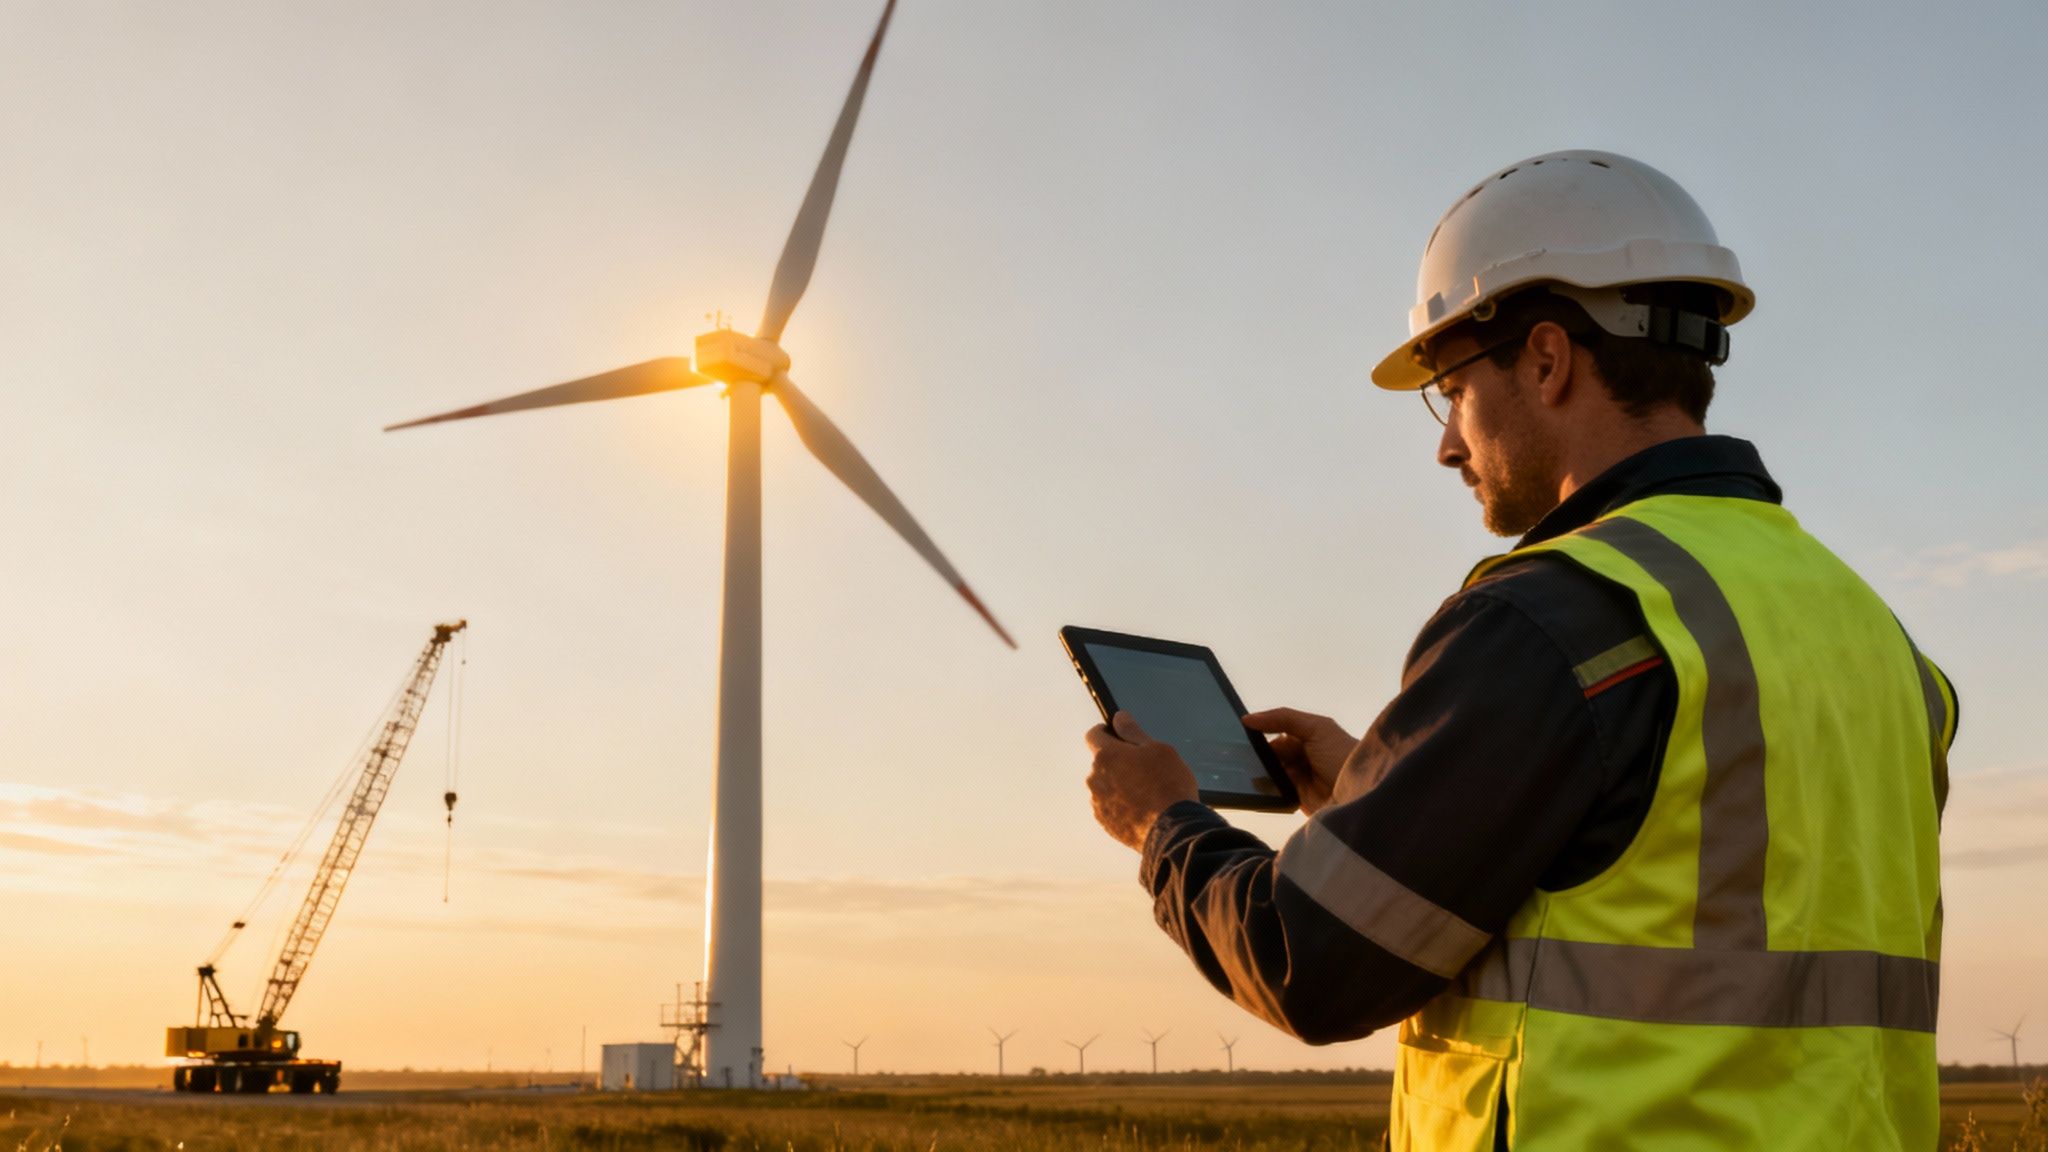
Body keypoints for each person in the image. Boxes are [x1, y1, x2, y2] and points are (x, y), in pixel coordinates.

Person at [1083, 150, 1954, 1151]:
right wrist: (1383, 791)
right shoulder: (1873, 634)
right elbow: (1696, 891)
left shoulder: (1554, 617)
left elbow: (1306, 960)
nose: (1446, 445)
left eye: (1449, 390)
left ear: (1545, 361)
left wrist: (1163, 824)